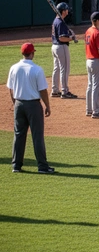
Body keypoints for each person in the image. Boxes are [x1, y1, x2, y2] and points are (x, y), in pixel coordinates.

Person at [8, 43, 55, 174]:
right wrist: (47, 105)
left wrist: (15, 103)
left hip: (19, 104)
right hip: (33, 105)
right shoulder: (37, 69)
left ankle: (16, 165)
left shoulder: (14, 68)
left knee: (18, 134)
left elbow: (11, 89)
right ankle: (42, 166)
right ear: (32, 53)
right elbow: (43, 90)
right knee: (37, 135)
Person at [50, 2, 77, 99]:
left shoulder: (56, 20)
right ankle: (64, 91)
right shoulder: (60, 22)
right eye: (66, 9)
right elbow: (62, 38)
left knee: (56, 69)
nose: (68, 11)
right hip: (61, 47)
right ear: (63, 11)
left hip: (54, 47)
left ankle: (55, 90)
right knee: (64, 69)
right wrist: (71, 38)